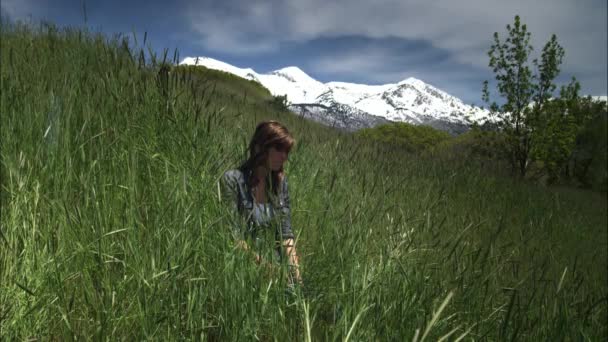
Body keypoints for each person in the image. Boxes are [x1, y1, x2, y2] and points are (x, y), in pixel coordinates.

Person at [220, 120, 302, 284]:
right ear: (259, 147)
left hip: (277, 267)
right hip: (245, 266)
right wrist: (268, 269)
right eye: (278, 149)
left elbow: (286, 234)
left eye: (286, 151)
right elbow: (233, 237)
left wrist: (295, 272)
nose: (284, 156)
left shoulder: (280, 184)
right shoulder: (233, 180)